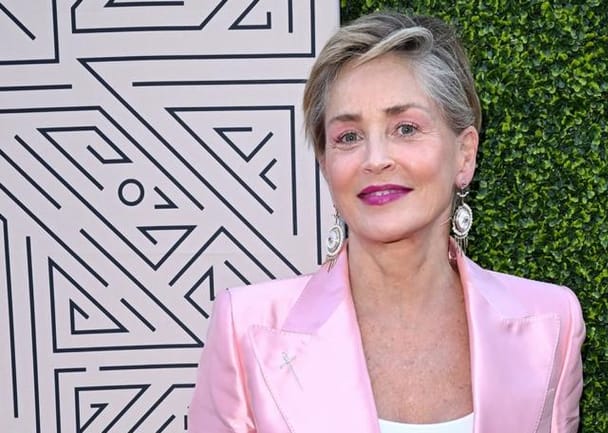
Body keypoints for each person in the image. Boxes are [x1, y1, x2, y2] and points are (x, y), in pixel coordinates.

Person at [188, 11, 585, 433]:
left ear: (465, 155)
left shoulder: (551, 325)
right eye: (348, 136)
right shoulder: (247, 329)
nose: (375, 159)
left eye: (406, 128)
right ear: (325, 164)